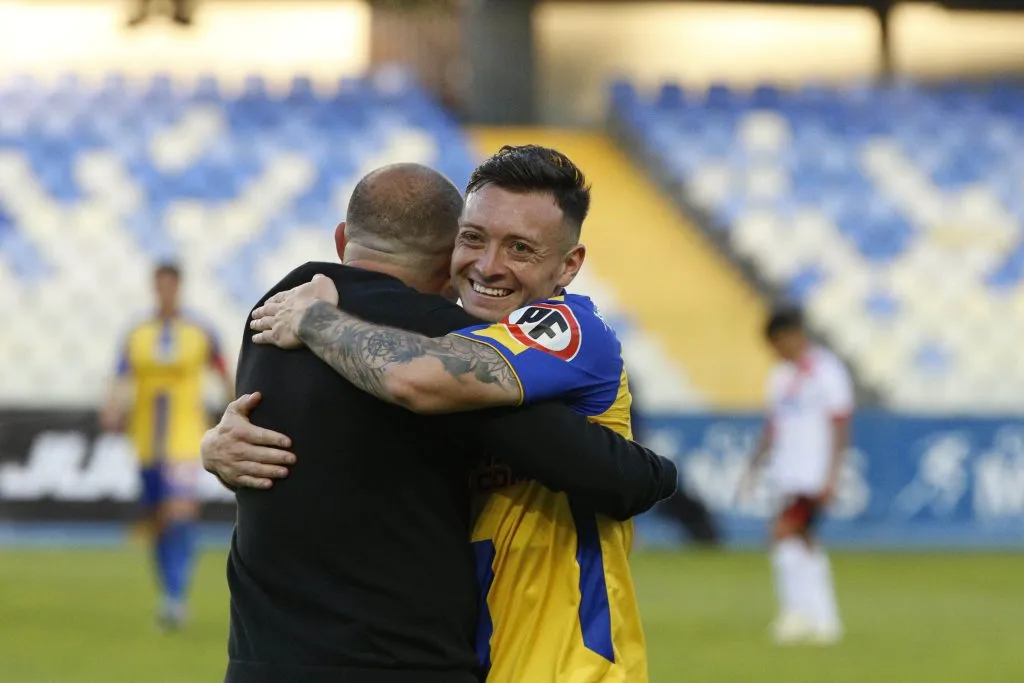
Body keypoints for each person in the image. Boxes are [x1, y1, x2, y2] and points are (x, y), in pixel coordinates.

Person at [215, 161, 678, 683]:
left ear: (568, 266)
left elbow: (419, 380)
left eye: (520, 248)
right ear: (447, 251)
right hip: (457, 661)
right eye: (474, 239)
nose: (488, 265)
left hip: (564, 667)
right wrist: (218, 448)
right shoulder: (447, 337)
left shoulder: (565, 329)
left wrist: (316, 321)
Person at [100, 261, 233, 630]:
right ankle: (169, 594)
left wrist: (236, 408)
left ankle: (177, 598)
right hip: (145, 439)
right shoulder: (138, 333)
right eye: (159, 286)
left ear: (179, 287)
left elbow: (224, 373)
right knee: (157, 519)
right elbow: (120, 375)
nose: (165, 293)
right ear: (153, 288)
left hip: (185, 436)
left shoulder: (199, 332)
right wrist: (111, 408)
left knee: (179, 512)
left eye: (170, 286)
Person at [737, 307, 852, 645]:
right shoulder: (780, 377)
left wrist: (833, 474)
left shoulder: (827, 371)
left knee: (782, 534)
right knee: (803, 543)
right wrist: (754, 465)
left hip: (813, 473)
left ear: (792, 335)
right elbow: (775, 426)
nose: (775, 351)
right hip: (787, 472)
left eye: (776, 343)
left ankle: (799, 615)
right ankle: (822, 620)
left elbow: (840, 422)